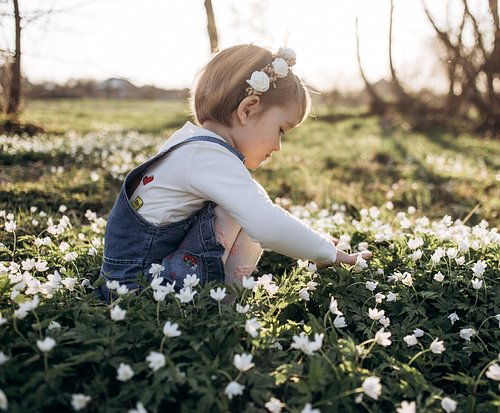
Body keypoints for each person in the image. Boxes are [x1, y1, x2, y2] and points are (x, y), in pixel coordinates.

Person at [97, 44, 371, 302]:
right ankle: (226, 304)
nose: (277, 146)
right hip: (142, 290)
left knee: (247, 203)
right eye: (280, 130)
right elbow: (266, 224)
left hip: (126, 280)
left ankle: (226, 296)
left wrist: (312, 242)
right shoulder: (208, 157)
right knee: (244, 211)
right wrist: (326, 251)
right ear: (248, 109)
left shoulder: (191, 143)